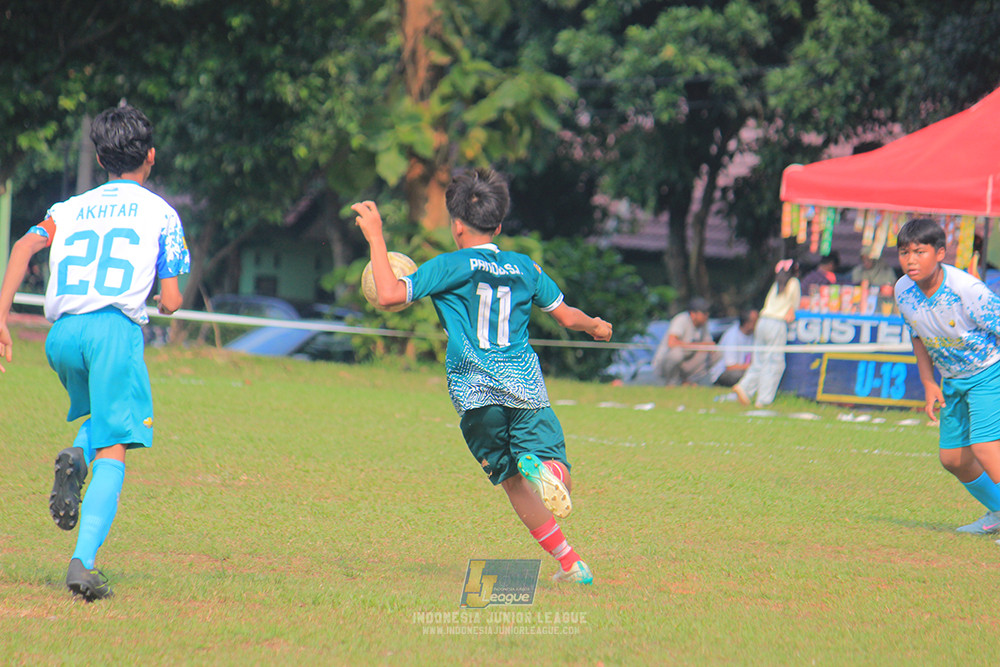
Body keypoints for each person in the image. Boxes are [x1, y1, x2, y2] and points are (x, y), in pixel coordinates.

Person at [351, 168, 612, 585]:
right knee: (553, 462)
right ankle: (551, 477)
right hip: (524, 388)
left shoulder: (450, 266)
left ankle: (571, 563)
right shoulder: (525, 267)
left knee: (512, 482)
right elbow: (566, 316)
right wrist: (596, 325)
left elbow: (388, 295)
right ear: (500, 224)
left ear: (456, 225)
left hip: (475, 398)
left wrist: (377, 237)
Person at [0, 103, 190, 600]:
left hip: (62, 336)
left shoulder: (69, 208)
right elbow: (170, 300)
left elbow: (22, 247)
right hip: (112, 332)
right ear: (150, 156)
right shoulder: (162, 214)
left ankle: (75, 453)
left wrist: (0, 317)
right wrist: (152, 295)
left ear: (101, 158)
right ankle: (82, 564)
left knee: (100, 420)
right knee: (116, 444)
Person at [894, 218, 1000, 534]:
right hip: (953, 380)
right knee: (953, 459)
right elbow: (917, 336)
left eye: (919, 252)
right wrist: (928, 384)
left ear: (940, 253)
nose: (910, 260)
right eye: (904, 252)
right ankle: (997, 511)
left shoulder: (967, 290)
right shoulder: (903, 291)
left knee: (984, 448)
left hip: (988, 372)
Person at [733, 259, 800, 407]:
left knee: (759, 360)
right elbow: (792, 311)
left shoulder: (776, 285)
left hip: (763, 321)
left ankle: (745, 387)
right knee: (774, 362)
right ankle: (763, 399)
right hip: (776, 324)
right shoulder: (794, 283)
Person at [651, 297, 720, 386]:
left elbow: (708, 345)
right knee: (677, 353)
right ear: (693, 314)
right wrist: (698, 346)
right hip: (665, 363)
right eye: (703, 313)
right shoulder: (681, 319)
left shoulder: (703, 325)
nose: (706, 315)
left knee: (717, 353)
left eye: (707, 313)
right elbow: (672, 343)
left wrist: (709, 347)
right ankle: (671, 383)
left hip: (687, 362)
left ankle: (689, 381)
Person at [711, 308, 758, 387]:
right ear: (747, 323)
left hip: (743, 369)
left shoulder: (753, 335)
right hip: (723, 373)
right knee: (743, 375)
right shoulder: (732, 336)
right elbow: (730, 366)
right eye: (756, 321)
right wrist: (753, 367)